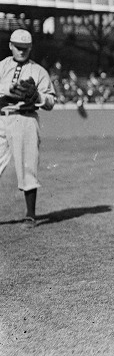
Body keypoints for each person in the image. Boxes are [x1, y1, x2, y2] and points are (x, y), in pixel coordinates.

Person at [0, 29, 56, 229]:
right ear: (10, 46)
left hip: (25, 119)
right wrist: (7, 96)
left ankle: (30, 215)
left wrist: (38, 97)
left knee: (27, 166)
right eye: (18, 47)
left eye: (25, 48)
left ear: (31, 48)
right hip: (2, 117)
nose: (21, 51)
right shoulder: (2, 67)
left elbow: (51, 101)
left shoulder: (38, 71)